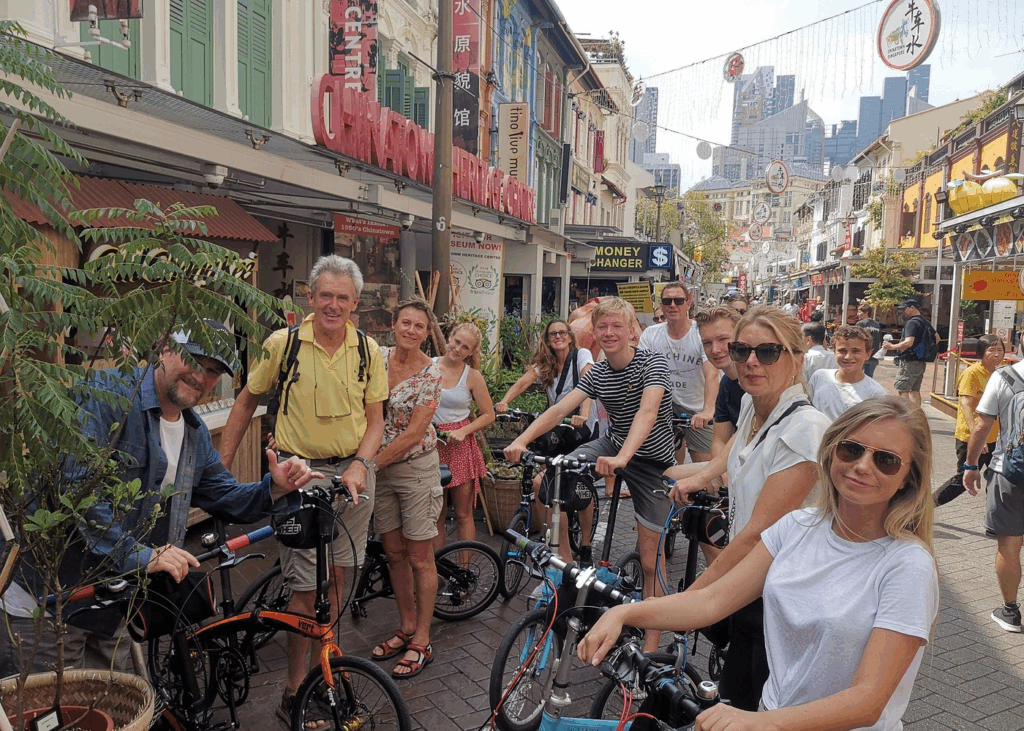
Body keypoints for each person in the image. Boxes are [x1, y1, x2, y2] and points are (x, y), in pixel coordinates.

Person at [579, 397, 939, 731]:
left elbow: (868, 700)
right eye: (852, 449)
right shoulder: (797, 527)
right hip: (772, 716)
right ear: (832, 451)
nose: (862, 466)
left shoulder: (906, 565)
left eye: (886, 460)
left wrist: (763, 722)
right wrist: (626, 614)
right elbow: (712, 601)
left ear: (909, 477)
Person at [0, 322, 322, 679]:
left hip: (114, 604)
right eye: (194, 360)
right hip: (51, 601)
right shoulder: (106, 396)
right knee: (51, 712)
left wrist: (274, 487)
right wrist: (141, 555)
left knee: (117, 707)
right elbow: (77, 489)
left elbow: (227, 496)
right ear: (165, 348)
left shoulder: (194, 434)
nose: (201, 376)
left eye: (214, 371)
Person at [220, 255, 387, 723]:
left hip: (353, 477)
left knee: (337, 579)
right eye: (325, 295)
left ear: (355, 303)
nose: (333, 305)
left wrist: (360, 465)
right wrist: (220, 472)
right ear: (310, 298)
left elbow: (376, 422)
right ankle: (295, 689)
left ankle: (326, 667)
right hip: (298, 476)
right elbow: (246, 400)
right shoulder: (284, 343)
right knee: (302, 587)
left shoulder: (369, 350)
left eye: (343, 297)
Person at [677, 306, 830, 711]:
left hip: (783, 600)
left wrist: (692, 598)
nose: (750, 361)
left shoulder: (804, 431)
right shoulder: (754, 405)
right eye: (742, 349)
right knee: (733, 701)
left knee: (755, 707)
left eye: (767, 352)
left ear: (796, 360)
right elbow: (733, 449)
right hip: (753, 587)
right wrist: (697, 477)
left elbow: (757, 533)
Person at [504, 298, 676, 651]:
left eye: (617, 326)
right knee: (547, 478)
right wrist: (521, 440)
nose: (610, 333)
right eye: (603, 328)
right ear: (594, 334)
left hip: (651, 461)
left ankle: (652, 645)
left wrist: (625, 457)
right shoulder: (598, 371)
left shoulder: (652, 363)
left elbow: (647, 413)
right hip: (612, 445)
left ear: (632, 331)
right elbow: (559, 410)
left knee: (649, 559)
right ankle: (567, 562)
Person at [367, 299, 443, 677]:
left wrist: (368, 465)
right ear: (393, 325)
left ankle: (423, 639)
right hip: (379, 470)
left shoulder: (431, 372)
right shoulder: (376, 358)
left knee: (419, 556)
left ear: (427, 333)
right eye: (406, 323)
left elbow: (415, 433)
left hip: (413, 468)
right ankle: (407, 624)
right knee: (393, 553)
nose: (411, 330)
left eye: (419, 326)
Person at [496, 319, 598, 560]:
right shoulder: (546, 363)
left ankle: (585, 543)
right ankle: (558, 546)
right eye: (553, 334)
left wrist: (583, 414)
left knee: (581, 487)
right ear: (547, 339)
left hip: (580, 429)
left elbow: (589, 382)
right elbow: (524, 381)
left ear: (570, 337)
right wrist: (505, 401)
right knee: (546, 485)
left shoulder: (581, 355)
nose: (558, 337)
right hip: (556, 429)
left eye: (562, 332)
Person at [963, 351, 1024, 633]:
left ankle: (1010, 611)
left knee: (1009, 544)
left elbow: (982, 425)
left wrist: (971, 465)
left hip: (1010, 472)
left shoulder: (1005, 376)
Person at [664, 306, 744, 501]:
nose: (715, 350)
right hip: (735, 463)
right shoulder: (726, 383)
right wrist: (724, 474)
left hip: (761, 464)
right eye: (707, 343)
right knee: (671, 477)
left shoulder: (754, 379)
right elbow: (719, 440)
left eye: (723, 340)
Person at [638, 282, 719, 463]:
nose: (672, 305)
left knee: (705, 466)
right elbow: (641, 373)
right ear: (661, 305)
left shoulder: (700, 333)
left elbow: (712, 375)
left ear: (688, 303)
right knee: (666, 465)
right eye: (667, 301)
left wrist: (708, 410)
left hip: (695, 407)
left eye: (678, 301)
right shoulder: (651, 334)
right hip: (663, 405)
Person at [432, 322, 494, 547]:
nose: (458, 349)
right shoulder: (427, 366)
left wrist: (463, 430)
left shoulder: (472, 376)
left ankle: (465, 573)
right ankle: (436, 571)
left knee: (463, 513)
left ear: (471, 352)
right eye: (456, 342)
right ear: (449, 337)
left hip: (459, 445)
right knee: (435, 514)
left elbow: (489, 414)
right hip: (431, 444)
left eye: (465, 347)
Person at [933, 335, 1003, 507]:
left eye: (1000, 350)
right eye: (991, 350)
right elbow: (965, 404)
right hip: (972, 437)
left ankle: (995, 518)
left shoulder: (998, 374)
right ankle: (924, 506)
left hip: (993, 437)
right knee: (961, 480)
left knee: (997, 476)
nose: (997, 354)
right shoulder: (972, 374)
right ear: (981, 352)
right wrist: (976, 435)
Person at [807, 325, 887, 422]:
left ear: (868, 354)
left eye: (856, 351)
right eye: (842, 351)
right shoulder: (819, 377)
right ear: (834, 352)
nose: (848, 357)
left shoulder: (876, 393)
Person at [884, 298, 939, 406]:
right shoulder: (925, 322)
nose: (902, 312)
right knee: (915, 390)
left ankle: (907, 414)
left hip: (909, 360)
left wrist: (892, 347)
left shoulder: (911, 323)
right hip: (920, 361)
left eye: (904, 309)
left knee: (902, 388)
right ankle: (916, 413)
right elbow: (937, 338)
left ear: (912, 308)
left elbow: (908, 342)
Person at [855, 302, 884, 378]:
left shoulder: (860, 324)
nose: (857, 314)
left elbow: (856, 339)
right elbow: (879, 341)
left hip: (861, 354)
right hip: (874, 356)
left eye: (859, 312)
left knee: (856, 377)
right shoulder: (877, 325)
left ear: (866, 313)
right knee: (869, 378)